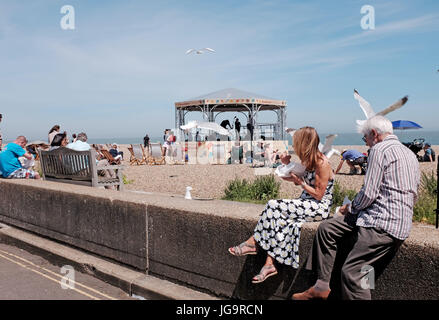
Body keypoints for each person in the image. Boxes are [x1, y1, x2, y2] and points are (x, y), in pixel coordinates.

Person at [292, 116, 420, 300]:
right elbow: (414, 194)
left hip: (380, 223)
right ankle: (321, 286)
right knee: (328, 229)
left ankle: (341, 289)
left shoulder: (379, 149)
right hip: (398, 223)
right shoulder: (409, 153)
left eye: (365, 139)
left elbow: (369, 193)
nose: (366, 144)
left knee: (353, 272)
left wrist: (350, 208)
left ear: (374, 134)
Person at [228, 127, 334, 283]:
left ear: (304, 143)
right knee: (280, 218)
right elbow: (290, 178)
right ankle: (269, 264)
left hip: (318, 207)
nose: (294, 145)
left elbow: (319, 194)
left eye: (296, 142)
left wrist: (302, 184)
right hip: (305, 202)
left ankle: (253, 242)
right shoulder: (308, 161)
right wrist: (286, 164)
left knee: (273, 204)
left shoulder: (322, 163)